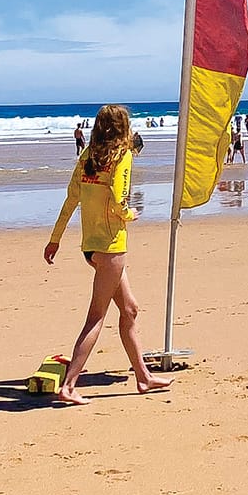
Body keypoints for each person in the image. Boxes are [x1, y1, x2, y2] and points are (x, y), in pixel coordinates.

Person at [42, 105, 171, 406]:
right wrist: (130, 214)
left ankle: (143, 376)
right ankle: (69, 386)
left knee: (130, 310)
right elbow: (118, 197)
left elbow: (71, 199)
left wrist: (55, 240)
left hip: (91, 246)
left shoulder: (87, 156)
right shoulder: (121, 156)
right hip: (111, 246)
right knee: (96, 317)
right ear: (122, 127)